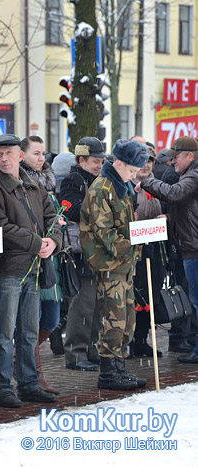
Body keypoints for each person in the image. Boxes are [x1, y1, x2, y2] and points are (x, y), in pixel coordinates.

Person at [0, 134, 62, 408]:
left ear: (19, 155)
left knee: (29, 331)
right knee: (3, 333)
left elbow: (52, 217)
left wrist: (54, 241)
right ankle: (2, 388)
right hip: (8, 269)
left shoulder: (34, 185)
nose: (3, 158)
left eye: (8, 153)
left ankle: (29, 384)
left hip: (34, 267)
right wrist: (38, 242)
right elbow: (0, 227)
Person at [81, 139, 148, 391]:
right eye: (131, 170)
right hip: (109, 263)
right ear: (118, 163)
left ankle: (119, 365)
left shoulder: (121, 186)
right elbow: (104, 232)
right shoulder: (103, 188)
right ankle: (108, 372)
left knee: (127, 318)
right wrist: (131, 246)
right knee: (114, 317)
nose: (133, 176)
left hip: (124, 263)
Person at [138, 136, 198, 363]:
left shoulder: (193, 175)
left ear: (189, 156)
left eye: (176, 157)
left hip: (194, 248)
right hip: (190, 246)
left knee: (196, 301)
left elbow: (174, 194)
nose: (172, 162)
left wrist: (146, 182)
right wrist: (172, 218)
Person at [20, 136, 61, 395]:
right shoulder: (21, 182)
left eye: (42, 153)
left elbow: (51, 216)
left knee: (52, 318)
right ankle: (33, 371)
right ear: (21, 155)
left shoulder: (48, 180)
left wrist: (56, 230)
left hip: (51, 255)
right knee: (32, 321)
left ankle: (22, 359)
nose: (41, 158)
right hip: (30, 257)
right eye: (35, 153)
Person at [61, 137, 106, 372]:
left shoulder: (97, 180)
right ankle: (76, 353)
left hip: (96, 249)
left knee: (96, 305)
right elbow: (73, 209)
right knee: (82, 305)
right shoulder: (73, 180)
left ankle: (90, 348)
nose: (100, 166)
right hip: (81, 251)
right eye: (95, 161)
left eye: (101, 162)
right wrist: (102, 211)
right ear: (82, 160)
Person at [130, 152, 165, 358]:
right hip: (135, 250)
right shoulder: (127, 186)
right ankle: (132, 341)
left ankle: (143, 339)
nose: (146, 165)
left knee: (152, 296)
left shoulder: (158, 185)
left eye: (149, 161)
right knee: (137, 296)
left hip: (156, 248)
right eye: (141, 161)